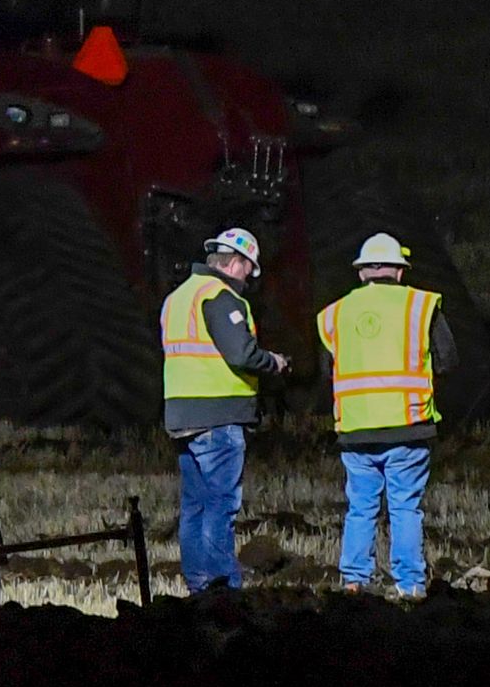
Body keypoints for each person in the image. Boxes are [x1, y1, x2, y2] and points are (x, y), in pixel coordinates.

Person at [318, 232, 457, 597]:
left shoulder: (335, 313)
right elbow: (449, 359)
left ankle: (353, 583)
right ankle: (409, 586)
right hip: (408, 427)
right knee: (405, 508)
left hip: (356, 430)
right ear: (399, 271)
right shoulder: (421, 306)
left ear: (362, 272)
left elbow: (325, 370)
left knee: (360, 509)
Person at [162, 226, 292, 593]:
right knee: (221, 507)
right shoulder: (220, 296)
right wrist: (275, 362)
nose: (249, 280)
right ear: (236, 263)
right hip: (218, 418)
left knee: (194, 507)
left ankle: (199, 584)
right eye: (249, 270)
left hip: (181, 417)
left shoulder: (178, 297)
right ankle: (224, 588)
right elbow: (241, 353)